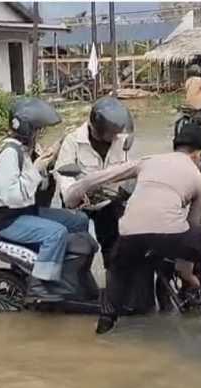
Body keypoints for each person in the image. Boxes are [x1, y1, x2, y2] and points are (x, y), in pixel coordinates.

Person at [64, 124, 201, 338]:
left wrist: (73, 196)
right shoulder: (198, 179)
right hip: (171, 234)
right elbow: (192, 226)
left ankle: (105, 322)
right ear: (197, 154)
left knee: (117, 268)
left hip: (130, 232)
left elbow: (102, 176)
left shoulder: (149, 161)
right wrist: (187, 274)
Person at [0, 98, 89, 289]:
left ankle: (71, 273)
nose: (40, 133)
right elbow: (12, 196)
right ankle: (40, 284)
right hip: (8, 218)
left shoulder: (27, 149)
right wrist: (36, 169)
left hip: (27, 211)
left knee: (79, 220)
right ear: (25, 128)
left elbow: (42, 169)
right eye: (37, 129)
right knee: (56, 233)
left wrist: (57, 148)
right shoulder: (9, 153)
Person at [53, 96, 135, 269]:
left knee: (114, 246)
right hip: (79, 202)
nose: (115, 136)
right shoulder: (73, 141)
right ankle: (74, 283)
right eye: (111, 133)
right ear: (97, 129)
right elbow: (63, 174)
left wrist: (128, 191)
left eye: (116, 132)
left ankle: (114, 284)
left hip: (108, 201)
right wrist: (72, 195)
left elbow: (129, 170)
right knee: (75, 248)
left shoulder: (121, 141)